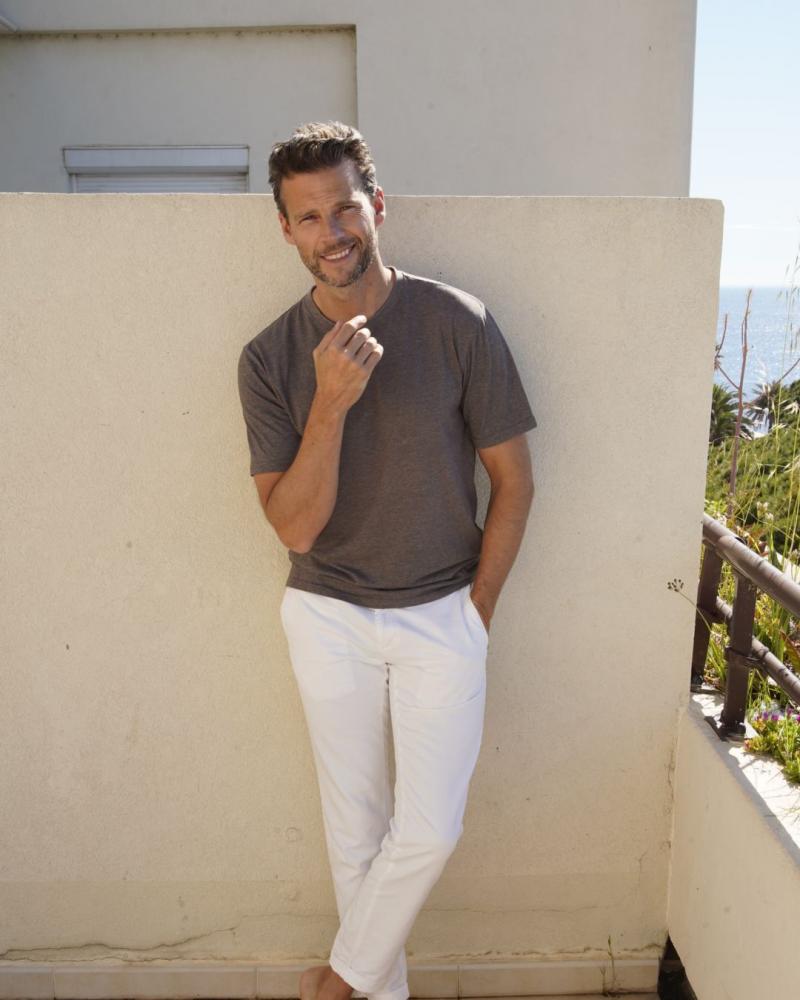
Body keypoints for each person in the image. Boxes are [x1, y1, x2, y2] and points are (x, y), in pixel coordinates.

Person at [237, 122, 537, 1000]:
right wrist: (330, 403)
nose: (330, 232)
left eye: (344, 209)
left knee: (430, 829)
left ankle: (338, 983)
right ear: (285, 230)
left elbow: (514, 482)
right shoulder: (268, 360)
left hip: (443, 612)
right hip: (326, 615)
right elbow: (295, 529)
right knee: (355, 834)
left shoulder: (457, 323)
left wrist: (476, 613)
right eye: (308, 217)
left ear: (377, 205)